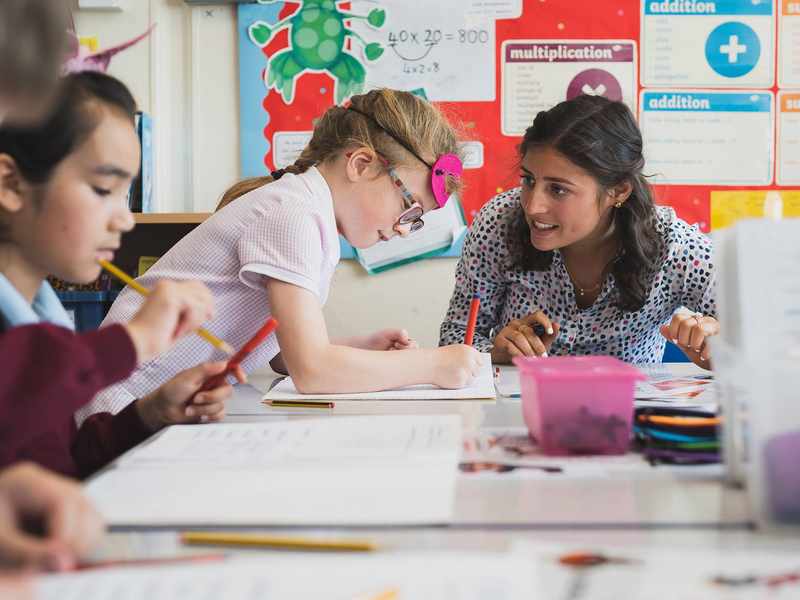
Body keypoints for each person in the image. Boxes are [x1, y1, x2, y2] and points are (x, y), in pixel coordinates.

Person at [84, 88, 482, 421]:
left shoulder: (309, 213)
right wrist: (433, 365)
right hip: (118, 410)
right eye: (409, 208)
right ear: (360, 164)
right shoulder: (294, 215)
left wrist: (357, 346)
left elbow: (281, 356)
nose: (401, 228)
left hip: (154, 405)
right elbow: (313, 369)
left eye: (416, 221)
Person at [0, 71, 245, 480]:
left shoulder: (43, 317)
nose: (124, 220)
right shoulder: (34, 351)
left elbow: (57, 462)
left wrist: (149, 414)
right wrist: (134, 341)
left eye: (125, 195)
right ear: (10, 184)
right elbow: (17, 390)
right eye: (101, 189)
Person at [440, 95, 718, 368]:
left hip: (627, 411)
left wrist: (718, 352)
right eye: (529, 180)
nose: (533, 206)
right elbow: (454, 340)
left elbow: (755, 345)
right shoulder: (499, 222)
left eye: (558, 189)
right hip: (519, 409)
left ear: (618, 190)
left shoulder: (675, 248)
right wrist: (495, 353)